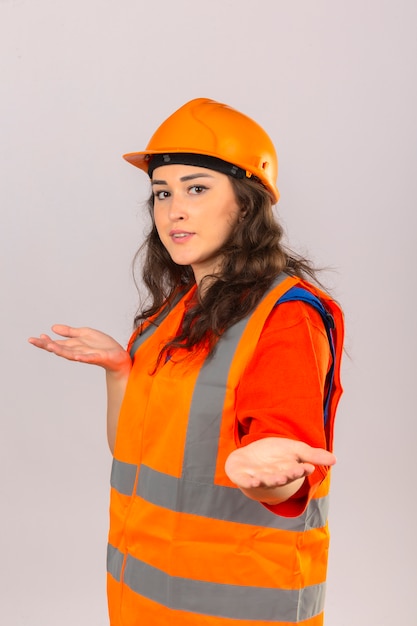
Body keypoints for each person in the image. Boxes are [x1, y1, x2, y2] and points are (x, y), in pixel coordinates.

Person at [29, 97, 344, 626]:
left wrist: (260, 473)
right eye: (161, 193)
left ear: (246, 204)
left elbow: (290, 478)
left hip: (234, 609)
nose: (173, 209)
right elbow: (132, 449)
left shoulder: (284, 318)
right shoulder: (170, 316)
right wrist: (119, 371)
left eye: (197, 189)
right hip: (142, 601)